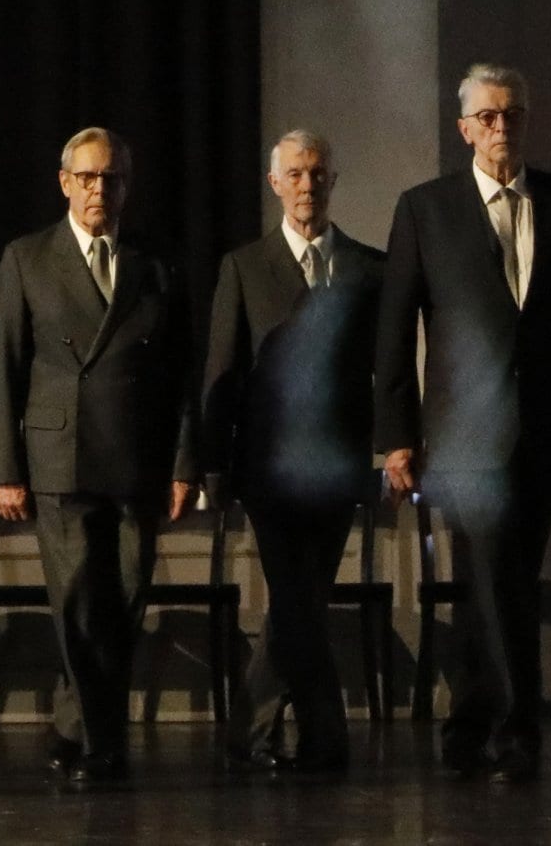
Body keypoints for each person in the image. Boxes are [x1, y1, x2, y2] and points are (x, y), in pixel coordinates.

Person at [374, 63, 551, 782]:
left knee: (505, 575)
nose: (500, 127)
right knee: (492, 573)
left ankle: (468, 724)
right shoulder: (425, 208)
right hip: (462, 433)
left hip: (546, 427)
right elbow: (394, 330)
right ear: (463, 129)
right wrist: (393, 435)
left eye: (511, 114)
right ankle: (514, 730)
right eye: (486, 116)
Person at [0, 127, 198, 786]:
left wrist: (185, 465)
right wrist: (6, 468)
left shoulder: (155, 262)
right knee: (79, 604)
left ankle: (72, 723)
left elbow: (180, 377)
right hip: (60, 457)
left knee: (126, 598)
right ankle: (103, 743)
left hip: (137, 457)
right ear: (63, 181)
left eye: (109, 178)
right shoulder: (26, 257)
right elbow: (5, 368)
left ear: (124, 186)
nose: (97, 189)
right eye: (85, 177)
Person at [198, 128, 383, 776]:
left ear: (332, 181)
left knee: (300, 601)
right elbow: (221, 371)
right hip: (267, 470)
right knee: (297, 597)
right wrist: (212, 463)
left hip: (337, 467)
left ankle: (247, 733)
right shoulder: (243, 267)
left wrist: (391, 449)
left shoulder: (369, 266)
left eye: (317, 173)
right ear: (275, 183)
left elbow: (384, 374)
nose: (307, 185)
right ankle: (325, 739)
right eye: (295, 174)